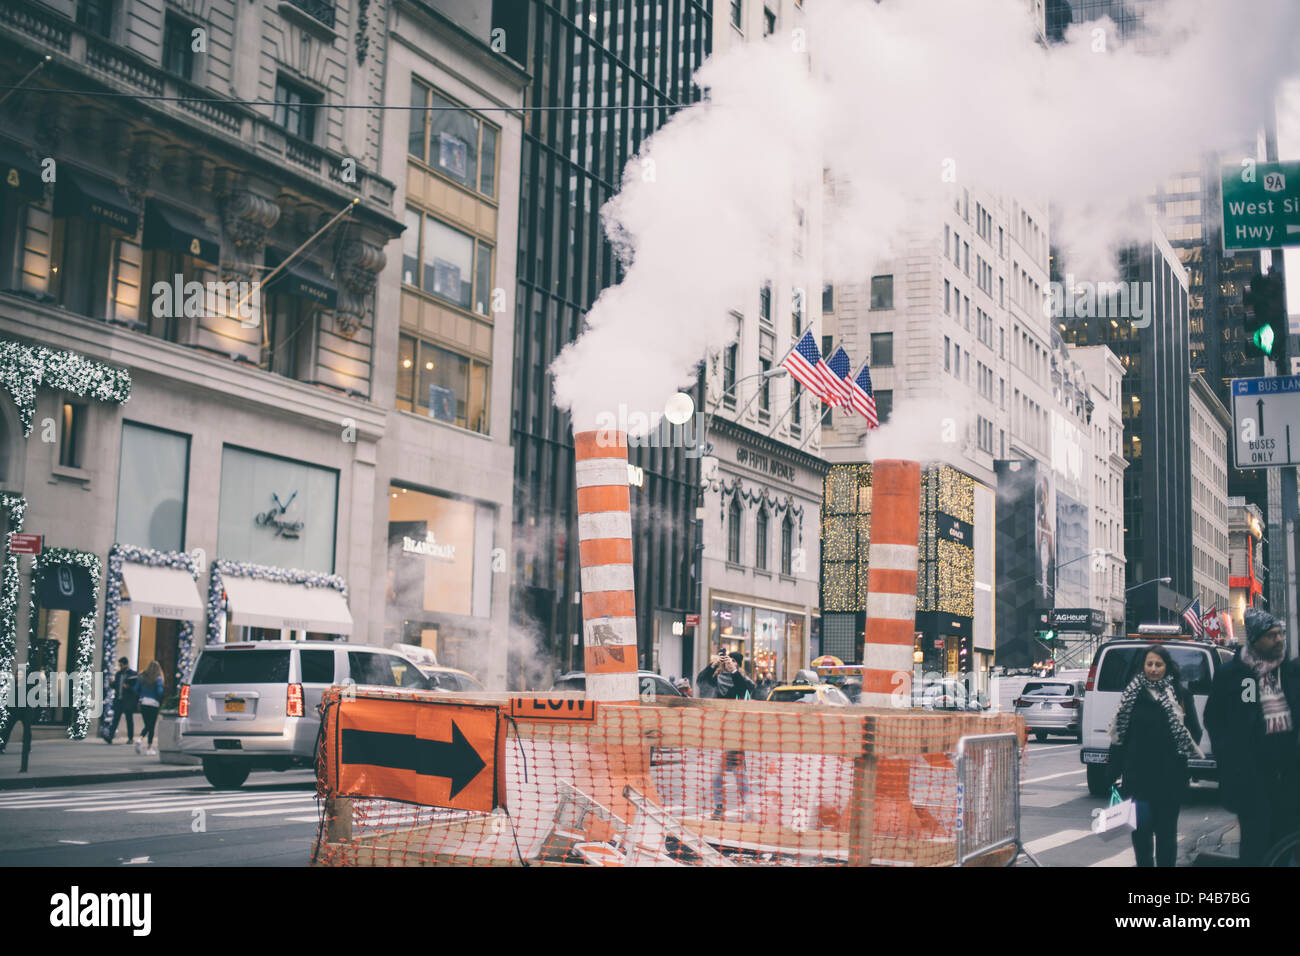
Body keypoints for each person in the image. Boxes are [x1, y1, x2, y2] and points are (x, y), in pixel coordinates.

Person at [1205, 608, 1300, 865]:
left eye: (1281, 633)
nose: (1279, 639)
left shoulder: (1291, 673)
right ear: (1256, 639)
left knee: (1284, 843)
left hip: (1288, 778)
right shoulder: (1231, 675)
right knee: (1255, 846)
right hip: (1251, 778)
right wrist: (1231, 761)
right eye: (1272, 635)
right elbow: (1215, 721)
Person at [1109, 644, 1204, 867]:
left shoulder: (1180, 694)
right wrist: (1112, 772)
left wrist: (1179, 756)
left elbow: (1195, 732)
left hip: (1169, 778)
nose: (1153, 669)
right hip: (1137, 779)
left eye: (1158, 664)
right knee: (1141, 834)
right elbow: (1119, 735)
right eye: (1149, 664)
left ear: (1167, 667)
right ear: (1143, 666)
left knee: (1166, 835)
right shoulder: (1131, 695)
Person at [134, 660, 165, 756]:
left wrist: (141, 695)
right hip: (153, 703)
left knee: (147, 724)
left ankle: (140, 739)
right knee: (151, 726)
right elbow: (160, 692)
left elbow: (135, 689)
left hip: (143, 702)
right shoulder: (158, 679)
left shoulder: (142, 677)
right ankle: (149, 747)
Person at [106, 657, 137, 745]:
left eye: (121, 665)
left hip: (128, 700)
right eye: (119, 665)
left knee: (129, 720)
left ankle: (130, 738)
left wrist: (129, 688)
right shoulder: (118, 674)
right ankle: (110, 736)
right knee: (116, 718)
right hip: (119, 700)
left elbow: (136, 688)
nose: (120, 667)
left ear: (126, 664)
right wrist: (112, 684)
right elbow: (116, 686)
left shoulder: (133, 674)